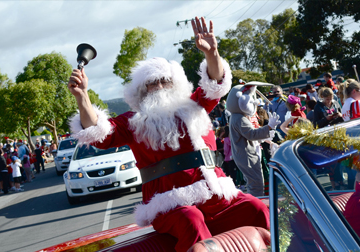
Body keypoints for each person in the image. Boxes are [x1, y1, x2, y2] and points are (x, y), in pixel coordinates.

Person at [67, 16, 269, 252]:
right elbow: (98, 133)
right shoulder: (133, 122)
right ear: (142, 91)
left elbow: (215, 83)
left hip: (214, 192)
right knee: (191, 222)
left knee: (257, 209)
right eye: (153, 83)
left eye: (166, 81)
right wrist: (83, 97)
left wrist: (212, 53)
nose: (161, 86)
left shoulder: (194, 105)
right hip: (168, 202)